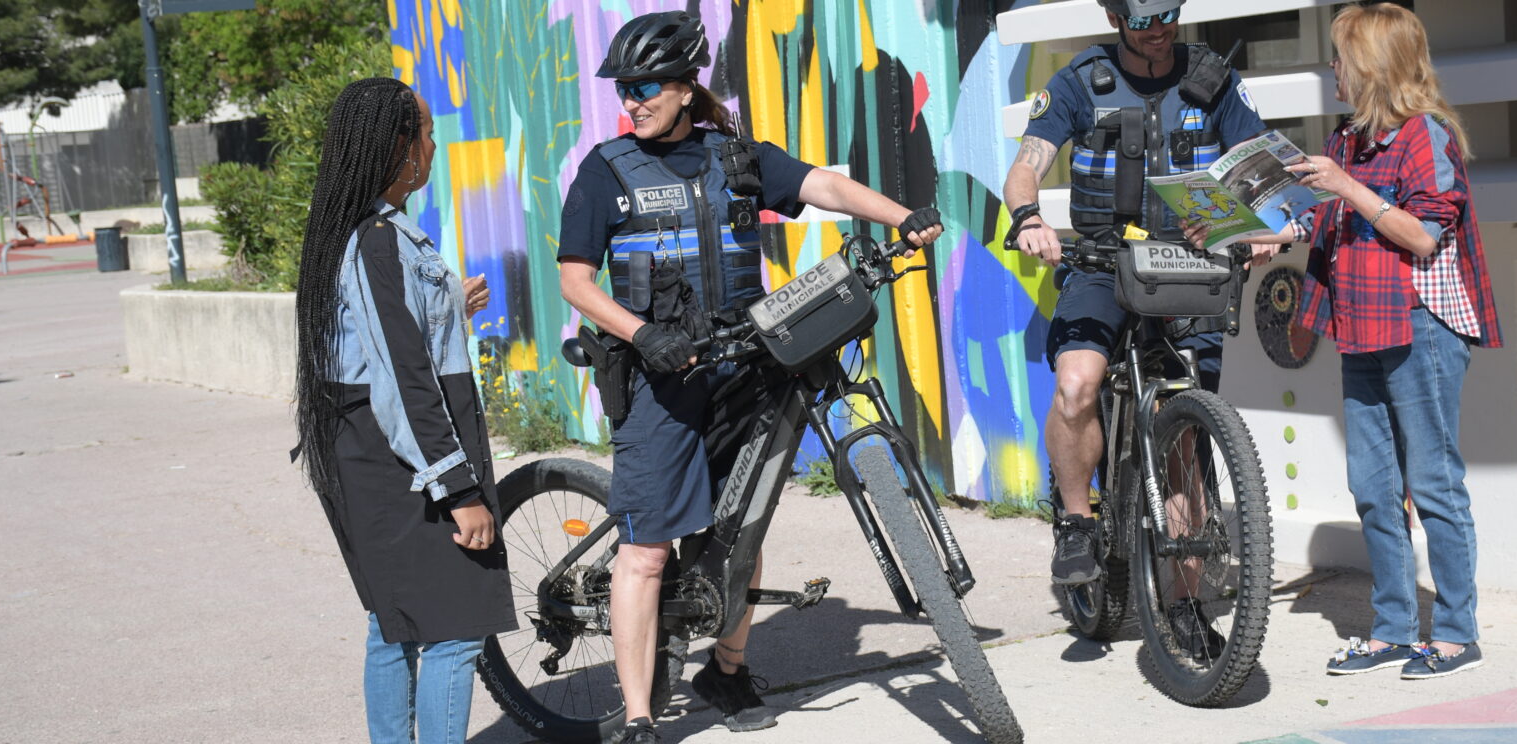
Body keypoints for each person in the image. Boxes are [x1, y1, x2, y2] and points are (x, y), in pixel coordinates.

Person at [555, 12, 943, 742]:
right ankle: (639, 716)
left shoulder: (733, 156)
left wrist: (902, 217)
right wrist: (644, 335)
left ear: (682, 87)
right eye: (624, 89)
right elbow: (576, 281)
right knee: (644, 550)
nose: (631, 101)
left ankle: (726, 670)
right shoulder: (605, 171)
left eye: (643, 88)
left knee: (743, 521)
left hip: (741, 366)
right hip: (657, 381)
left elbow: (823, 185)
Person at [1002, 0, 1276, 650]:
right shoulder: (1081, 83)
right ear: (1113, 14)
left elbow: (1259, 166)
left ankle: (1185, 606)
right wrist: (1028, 218)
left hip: (1190, 268)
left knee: (1186, 441)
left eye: (1169, 13)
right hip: (1102, 265)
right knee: (1077, 383)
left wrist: (1261, 224)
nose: (1159, 30)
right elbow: (1026, 165)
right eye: (1144, 17)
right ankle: (1075, 522)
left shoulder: (1214, 81)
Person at [1250, 3, 1501, 679]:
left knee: (1434, 482)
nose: (1330, 70)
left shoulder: (1429, 136)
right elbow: (1315, 220)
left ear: (1370, 66)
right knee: (1373, 487)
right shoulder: (1345, 143)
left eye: (1338, 58)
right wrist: (1268, 237)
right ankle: (1392, 627)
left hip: (1421, 326)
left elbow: (1423, 235)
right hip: (1361, 326)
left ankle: (1455, 632)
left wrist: (1346, 187)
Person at [293, 77, 516, 744]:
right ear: (397, 147)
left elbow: (382, 341)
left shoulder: (363, 233)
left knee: (395, 623)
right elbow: (404, 378)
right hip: (398, 463)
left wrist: (449, 306)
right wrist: (457, 489)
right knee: (452, 626)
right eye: (424, 133)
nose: (433, 145)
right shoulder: (377, 241)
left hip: (367, 451)